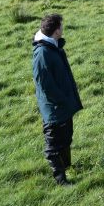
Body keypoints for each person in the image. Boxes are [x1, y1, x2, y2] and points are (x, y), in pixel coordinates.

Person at [32, 13, 83, 185]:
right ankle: (61, 180)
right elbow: (45, 86)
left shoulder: (53, 46)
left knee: (66, 138)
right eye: (61, 26)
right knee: (53, 145)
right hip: (54, 109)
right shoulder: (43, 53)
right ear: (55, 31)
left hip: (63, 105)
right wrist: (61, 100)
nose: (63, 28)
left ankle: (67, 167)